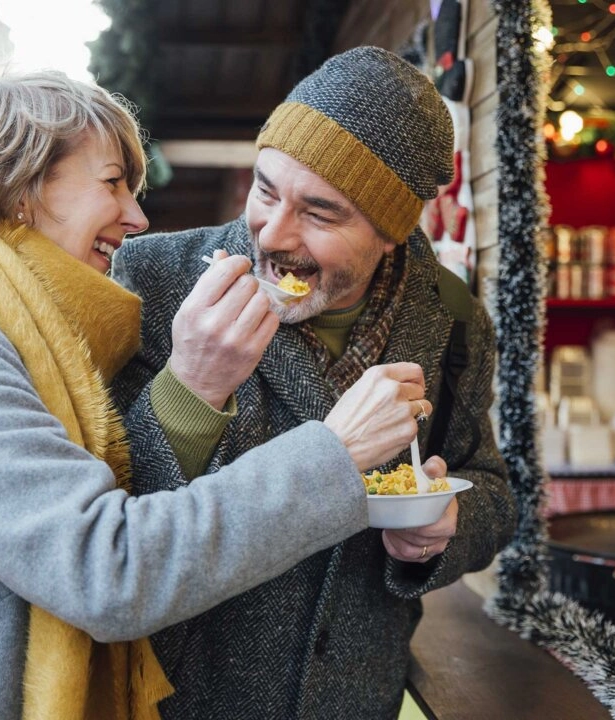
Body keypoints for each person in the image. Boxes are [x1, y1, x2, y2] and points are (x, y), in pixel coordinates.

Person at [0, 65, 438, 720]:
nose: (136, 217)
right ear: (20, 188)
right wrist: (333, 456)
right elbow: (108, 569)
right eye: (112, 182)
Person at [112, 46, 518, 718]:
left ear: (391, 232)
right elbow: (96, 532)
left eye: (321, 213)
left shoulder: (452, 318)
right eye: (265, 188)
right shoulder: (150, 284)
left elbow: (496, 490)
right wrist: (191, 387)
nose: (272, 234)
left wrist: (447, 526)